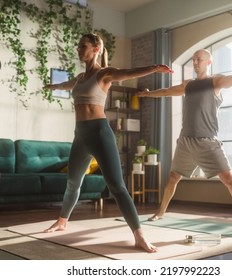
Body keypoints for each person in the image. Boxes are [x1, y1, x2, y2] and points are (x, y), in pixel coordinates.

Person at [43, 33, 173, 253]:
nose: (78, 49)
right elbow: (67, 84)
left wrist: (152, 68)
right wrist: (55, 88)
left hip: (99, 133)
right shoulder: (79, 78)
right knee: (73, 183)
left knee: (117, 186)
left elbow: (127, 73)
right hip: (81, 135)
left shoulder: (104, 74)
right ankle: (62, 221)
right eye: (78, 46)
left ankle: (139, 235)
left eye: (83, 46)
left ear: (96, 49)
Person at [137, 49, 232, 234]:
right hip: (185, 141)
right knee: (173, 178)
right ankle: (160, 213)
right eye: (193, 60)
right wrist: (149, 94)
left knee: (230, 180)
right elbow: (167, 91)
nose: (195, 62)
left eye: (199, 59)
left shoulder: (216, 82)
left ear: (208, 62)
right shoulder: (188, 85)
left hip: (207, 142)